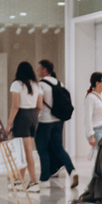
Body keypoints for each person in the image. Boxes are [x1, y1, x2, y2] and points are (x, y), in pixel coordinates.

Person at [34, 59, 77, 189]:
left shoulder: (40, 85)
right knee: (58, 148)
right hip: (58, 121)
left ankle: (45, 178)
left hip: (45, 121)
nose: (38, 70)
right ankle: (72, 170)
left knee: (42, 149)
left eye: (39, 68)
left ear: (44, 69)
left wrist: (34, 117)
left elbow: (39, 105)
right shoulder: (59, 83)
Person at [6, 60, 41, 191]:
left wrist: (9, 123)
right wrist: (33, 117)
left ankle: (33, 182)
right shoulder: (36, 85)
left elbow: (15, 105)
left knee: (26, 151)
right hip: (33, 116)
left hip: (22, 117)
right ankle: (20, 180)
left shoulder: (17, 84)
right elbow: (40, 106)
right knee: (25, 150)